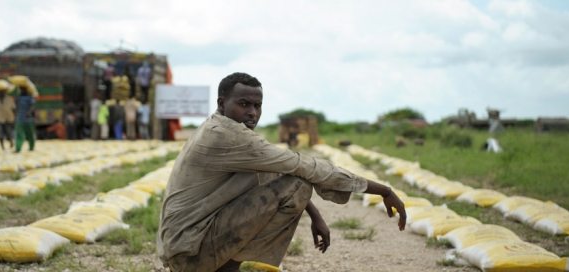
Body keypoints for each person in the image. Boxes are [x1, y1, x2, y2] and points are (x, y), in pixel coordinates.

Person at [157, 72, 407, 272]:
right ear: (222, 103)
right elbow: (306, 167)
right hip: (191, 255)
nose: (252, 113)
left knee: (281, 178)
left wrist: (315, 214)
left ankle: (227, 265)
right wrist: (383, 190)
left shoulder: (219, 127)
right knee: (297, 185)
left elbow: (277, 171)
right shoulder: (226, 136)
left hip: (184, 248)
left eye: (257, 105)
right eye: (243, 104)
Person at [14, 86, 35, 152]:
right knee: (19, 134)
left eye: (23, 89)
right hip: (20, 118)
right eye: (21, 89)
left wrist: (29, 112)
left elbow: (32, 106)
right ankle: (18, 148)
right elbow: (16, 107)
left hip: (28, 119)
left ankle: (31, 147)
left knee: (30, 134)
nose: (21, 91)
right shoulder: (18, 98)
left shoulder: (29, 98)